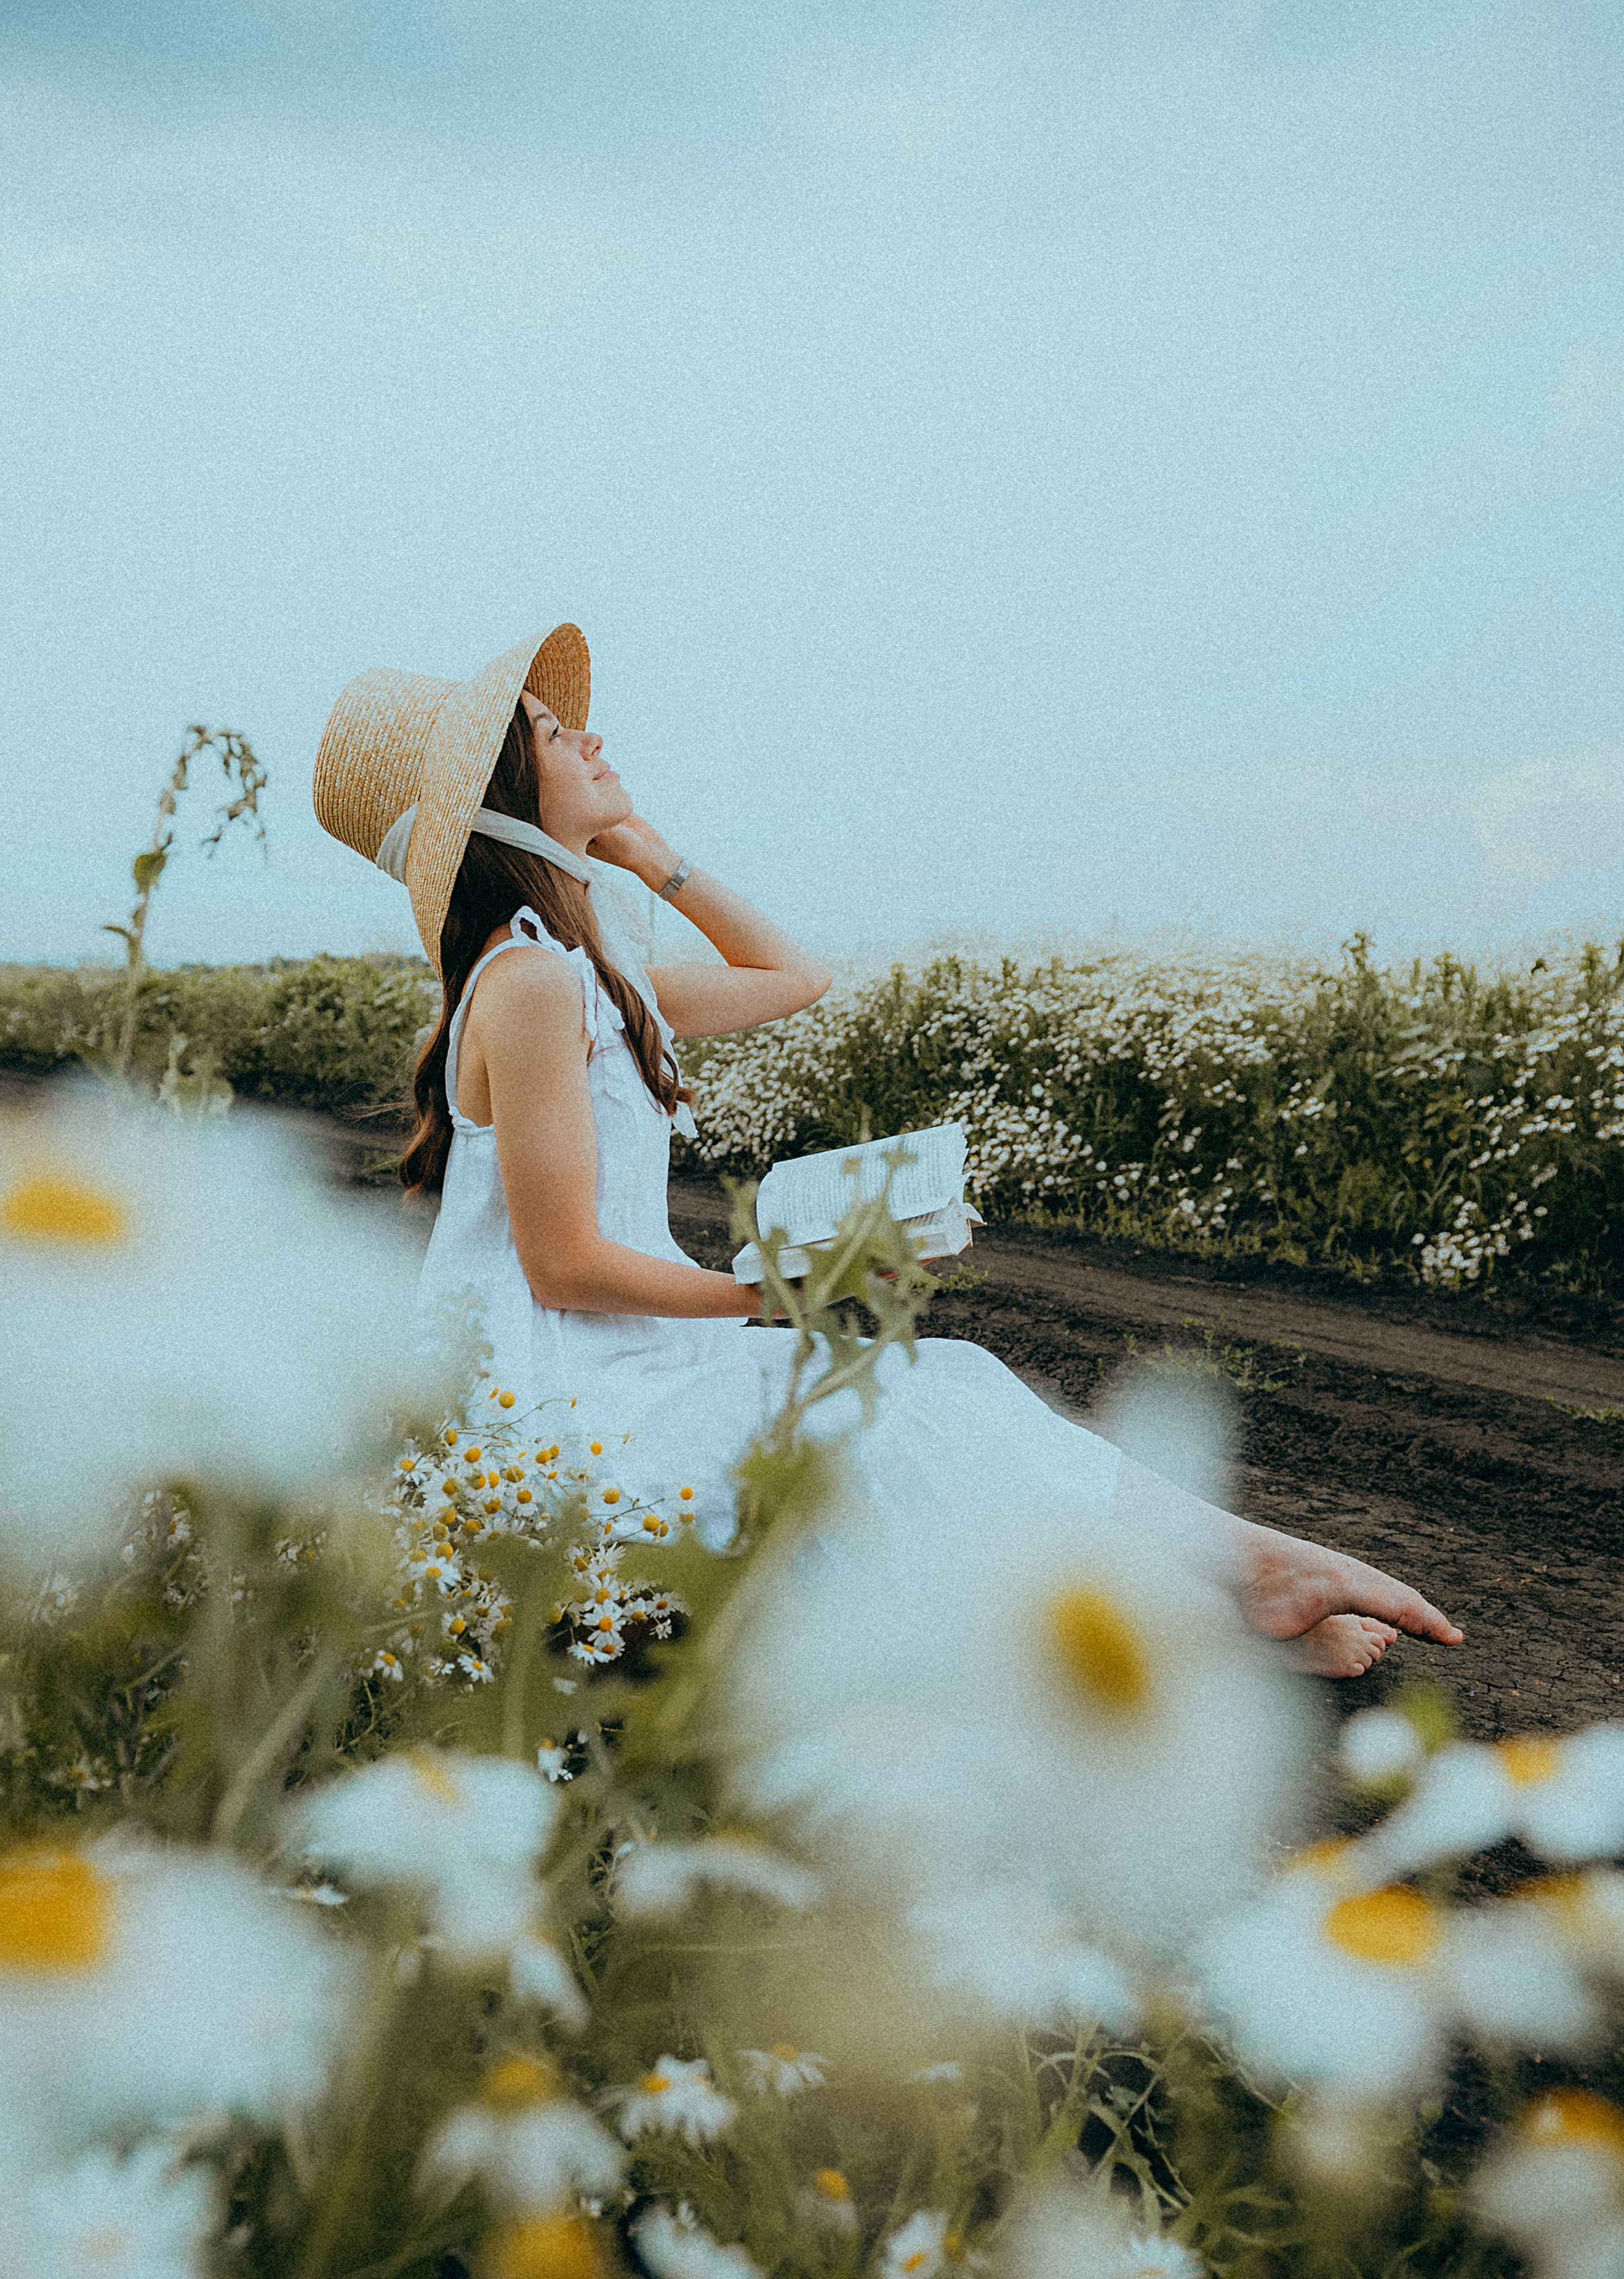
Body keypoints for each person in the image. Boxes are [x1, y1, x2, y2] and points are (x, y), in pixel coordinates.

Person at [314, 627, 1462, 1679]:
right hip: (562, 1410)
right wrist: (768, 1293)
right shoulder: (524, 983)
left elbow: (794, 979)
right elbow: (561, 1265)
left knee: (944, 1388)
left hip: (634, 1369)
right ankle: (1224, 1599)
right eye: (556, 736)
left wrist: (655, 858)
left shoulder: (590, 977)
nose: (593, 736)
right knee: (884, 1442)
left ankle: (1220, 1592)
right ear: (506, 802)